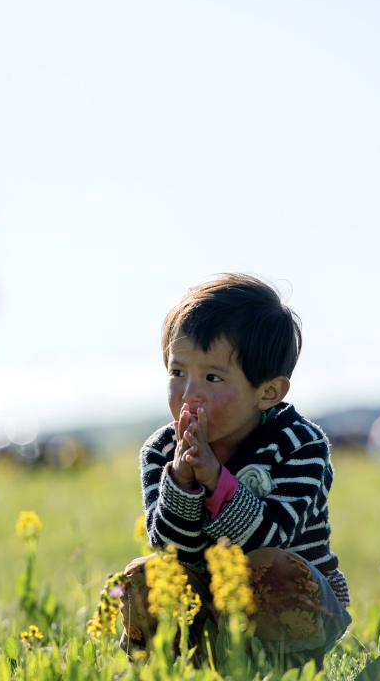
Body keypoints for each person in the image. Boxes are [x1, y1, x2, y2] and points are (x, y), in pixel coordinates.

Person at [119, 273, 351, 666]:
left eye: (212, 377)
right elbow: (174, 552)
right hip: (208, 603)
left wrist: (216, 481)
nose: (189, 393)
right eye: (178, 372)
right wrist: (182, 482)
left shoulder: (299, 445)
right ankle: (178, 666)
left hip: (294, 605)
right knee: (145, 575)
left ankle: (284, 667)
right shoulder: (162, 451)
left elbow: (268, 539)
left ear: (268, 392)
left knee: (270, 569)